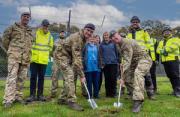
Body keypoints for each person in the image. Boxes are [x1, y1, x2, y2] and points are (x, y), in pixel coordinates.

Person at [54, 23, 95, 111]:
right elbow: (77, 59)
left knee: (69, 77)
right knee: (70, 76)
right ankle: (71, 101)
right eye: (88, 30)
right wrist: (82, 75)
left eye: (91, 32)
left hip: (68, 56)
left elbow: (77, 57)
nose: (89, 33)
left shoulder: (84, 39)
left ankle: (62, 99)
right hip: (61, 55)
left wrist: (81, 74)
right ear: (84, 29)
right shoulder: (77, 38)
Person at [110, 30, 152, 113]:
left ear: (119, 35)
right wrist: (123, 74)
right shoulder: (118, 45)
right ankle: (137, 94)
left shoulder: (126, 42)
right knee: (127, 79)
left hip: (144, 59)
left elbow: (127, 61)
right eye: (113, 39)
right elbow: (125, 58)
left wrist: (122, 77)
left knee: (138, 73)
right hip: (134, 62)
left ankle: (138, 100)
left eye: (116, 36)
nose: (115, 39)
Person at [2, 12, 33, 108]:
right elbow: (5, 41)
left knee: (21, 79)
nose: (26, 18)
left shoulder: (30, 31)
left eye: (28, 17)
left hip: (25, 59)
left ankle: (18, 96)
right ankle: (8, 100)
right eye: (24, 16)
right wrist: (11, 51)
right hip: (14, 57)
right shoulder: (12, 27)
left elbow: (30, 44)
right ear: (21, 17)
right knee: (12, 78)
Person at [127, 16, 155, 99]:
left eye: (136, 22)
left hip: (143, 57)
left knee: (147, 75)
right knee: (133, 76)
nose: (135, 23)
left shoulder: (144, 32)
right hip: (133, 58)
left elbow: (149, 43)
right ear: (131, 23)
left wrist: (146, 52)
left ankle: (150, 93)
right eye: (133, 22)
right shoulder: (128, 34)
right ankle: (134, 93)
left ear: (139, 23)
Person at [26, 19, 54, 102]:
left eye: (47, 26)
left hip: (44, 61)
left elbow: (50, 47)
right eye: (44, 25)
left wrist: (44, 53)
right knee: (33, 77)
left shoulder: (50, 37)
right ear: (41, 25)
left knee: (41, 78)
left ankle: (40, 95)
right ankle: (32, 95)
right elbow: (30, 44)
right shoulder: (35, 33)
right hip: (34, 60)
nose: (46, 27)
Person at [157, 26, 180, 97]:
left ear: (171, 32)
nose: (166, 32)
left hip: (173, 59)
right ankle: (174, 90)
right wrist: (163, 51)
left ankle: (178, 91)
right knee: (169, 76)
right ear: (163, 33)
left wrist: (164, 50)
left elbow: (174, 47)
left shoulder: (176, 39)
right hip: (165, 61)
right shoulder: (161, 42)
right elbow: (157, 50)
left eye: (168, 31)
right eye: (165, 31)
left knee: (175, 75)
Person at [99, 31, 119, 97]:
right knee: (107, 79)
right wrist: (102, 63)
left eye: (107, 35)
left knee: (113, 79)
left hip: (113, 64)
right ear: (103, 37)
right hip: (105, 64)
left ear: (109, 36)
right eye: (104, 35)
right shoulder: (101, 45)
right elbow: (100, 55)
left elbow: (116, 52)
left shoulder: (113, 43)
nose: (106, 36)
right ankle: (108, 93)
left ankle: (114, 93)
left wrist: (117, 60)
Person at [50, 30, 66, 98]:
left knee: (65, 78)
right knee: (54, 77)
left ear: (65, 34)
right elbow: (52, 51)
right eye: (61, 33)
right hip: (56, 62)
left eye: (63, 33)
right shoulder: (55, 41)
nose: (62, 34)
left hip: (63, 62)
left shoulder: (66, 41)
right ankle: (53, 93)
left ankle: (65, 93)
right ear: (59, 34)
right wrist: (54, 57)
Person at [145, 26, 159, 94]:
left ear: (151, 32)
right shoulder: (143, 39)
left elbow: (157, 51)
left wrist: (157, 59)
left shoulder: (154, 40)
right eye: (147, 30)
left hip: (153, 60)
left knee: (153, 75)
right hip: (144, 60)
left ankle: (154, 89)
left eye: (149, 30)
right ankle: (146, 89)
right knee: (145, 75)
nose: (148, 32)